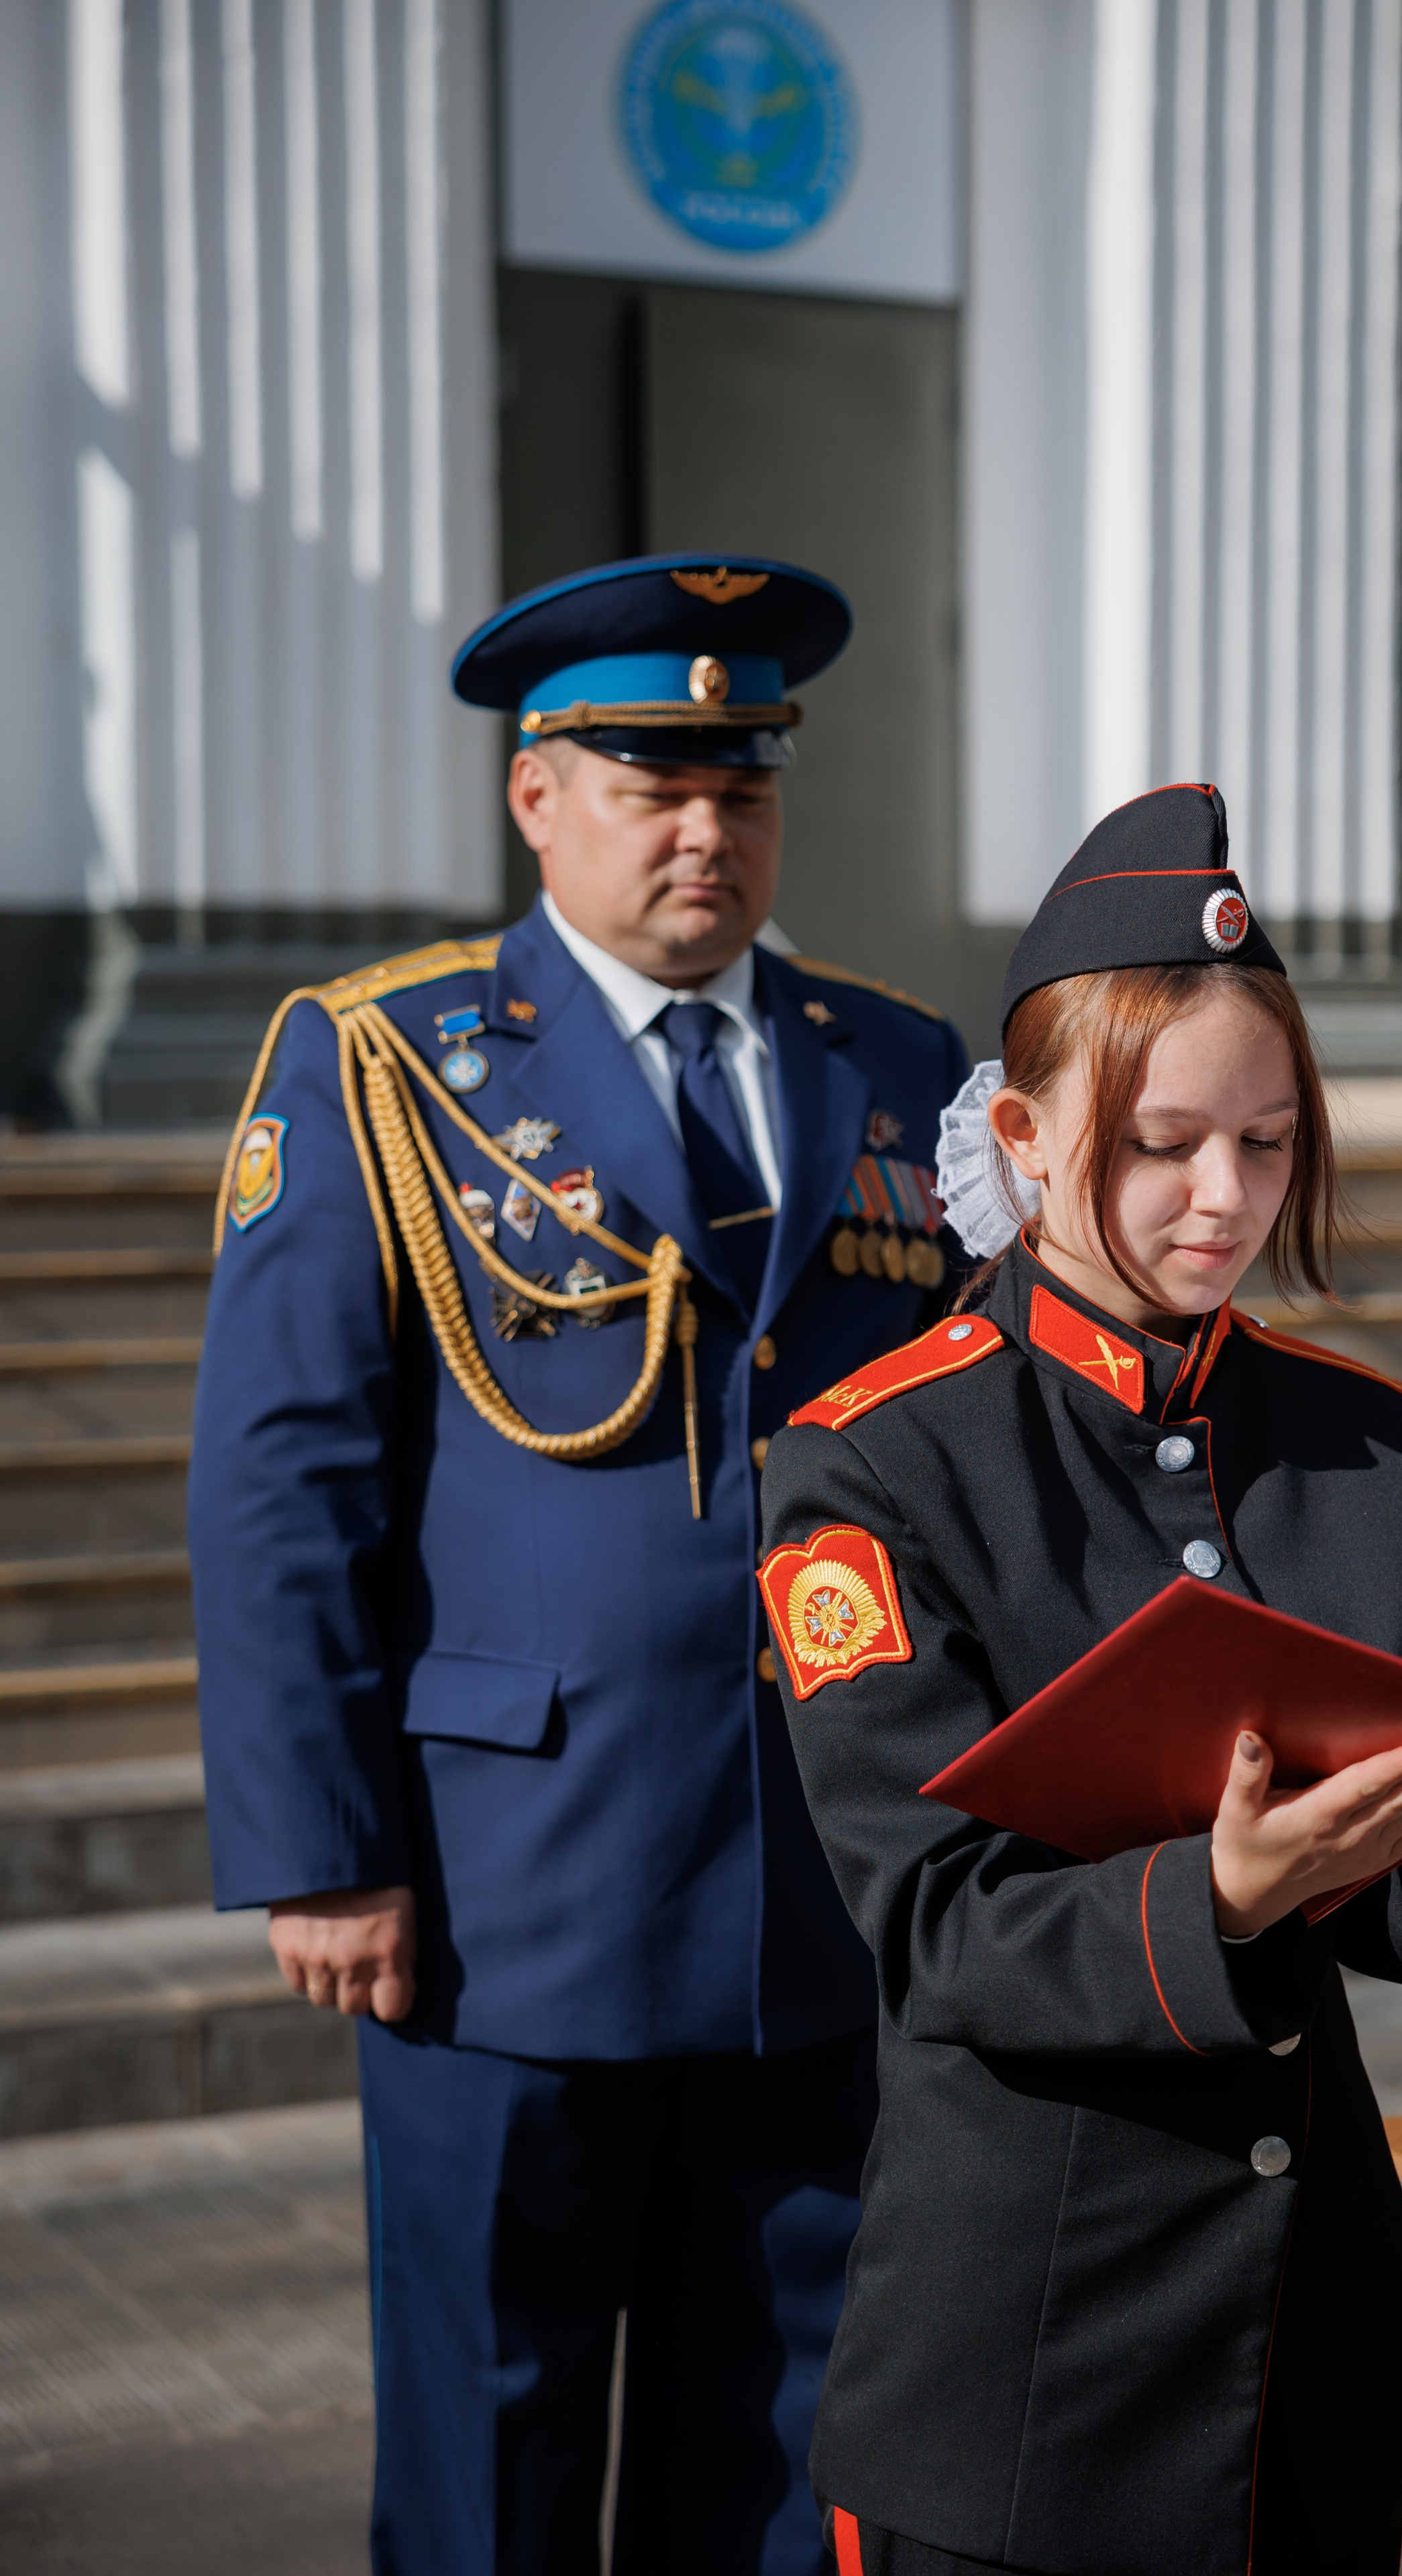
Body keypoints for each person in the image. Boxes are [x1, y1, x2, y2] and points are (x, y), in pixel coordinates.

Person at [188, 553, 970, 2576]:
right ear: (538, 796)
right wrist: (320, 1843)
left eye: (746, 785)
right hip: (497, 1897)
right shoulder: (388, 1062)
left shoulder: (897, 1067)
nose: (710, 831)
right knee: (490, 2452)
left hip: (822, 1885)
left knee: (793, 2455)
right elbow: (286, 1484)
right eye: (653, 782)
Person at [757, 782, 1402, 2576]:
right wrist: (1215, 1894)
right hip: (1028, 2374)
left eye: (1271, 1138)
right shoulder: (875, 1464)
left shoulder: (1362, 1445)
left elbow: (1401, 1917)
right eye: (1160, 1143)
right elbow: (933, 1928)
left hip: (1310, 2367)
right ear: (1021, 1123)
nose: (1222, 1197)